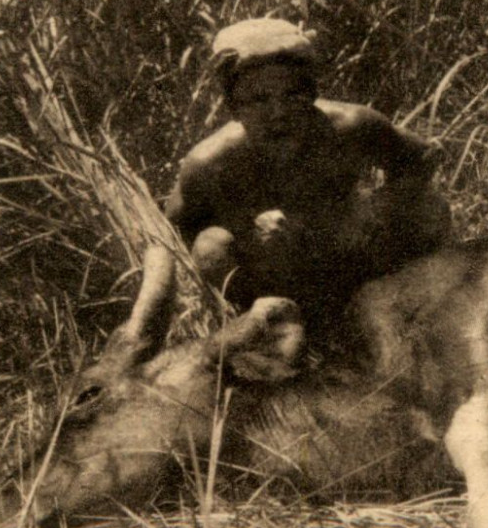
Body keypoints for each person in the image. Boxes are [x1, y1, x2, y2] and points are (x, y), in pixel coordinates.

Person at [165, 18, 451, 317]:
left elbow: (420, 159)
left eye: (292, 95)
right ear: (233, 107)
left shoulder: (351, 127)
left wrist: (370, 209)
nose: (279, 113)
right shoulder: (210, 163)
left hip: (350, 257)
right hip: (274, 278)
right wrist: (247, 233)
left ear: (313, 94)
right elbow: (177, 228)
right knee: (211, 248)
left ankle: (421, 309)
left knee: (428, 208)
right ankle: (270, 329)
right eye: (259, 100)